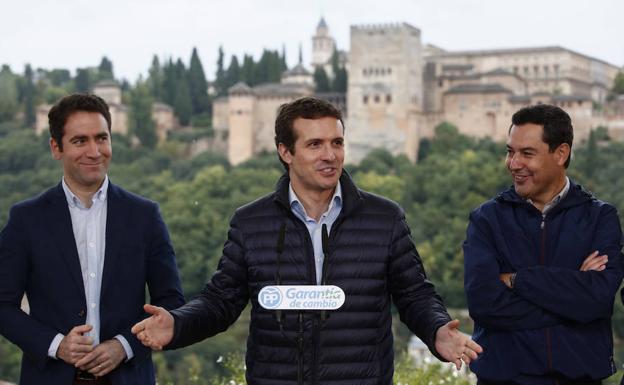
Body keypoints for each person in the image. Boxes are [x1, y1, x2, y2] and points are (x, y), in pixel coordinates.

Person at [131, 96, 482, 385]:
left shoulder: (385, 218)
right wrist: (178, 324)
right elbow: (220, 302)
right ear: (286, 151)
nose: (330, 155)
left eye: (337, 143)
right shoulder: (250, 223)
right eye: (315, 144)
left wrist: (437, 330)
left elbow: (414, 294)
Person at [0, 93, 185, 385]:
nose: (94, 151)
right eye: (79, 141)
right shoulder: (27, 219)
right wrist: (56, 344)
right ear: (55, 147)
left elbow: (172, 303)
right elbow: (2, 305)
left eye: (101, 138)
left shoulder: (144, 216)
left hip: (128, 378)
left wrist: (124, 346)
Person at [463, 104, 623, 385]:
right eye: (510, 151)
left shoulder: (600, 217)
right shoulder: (487, 218)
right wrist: (572, 298)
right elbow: (484, 304)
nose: (513, 163)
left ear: (561, 153)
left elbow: (597, 301)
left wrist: (518, 280)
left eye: (527, 153)